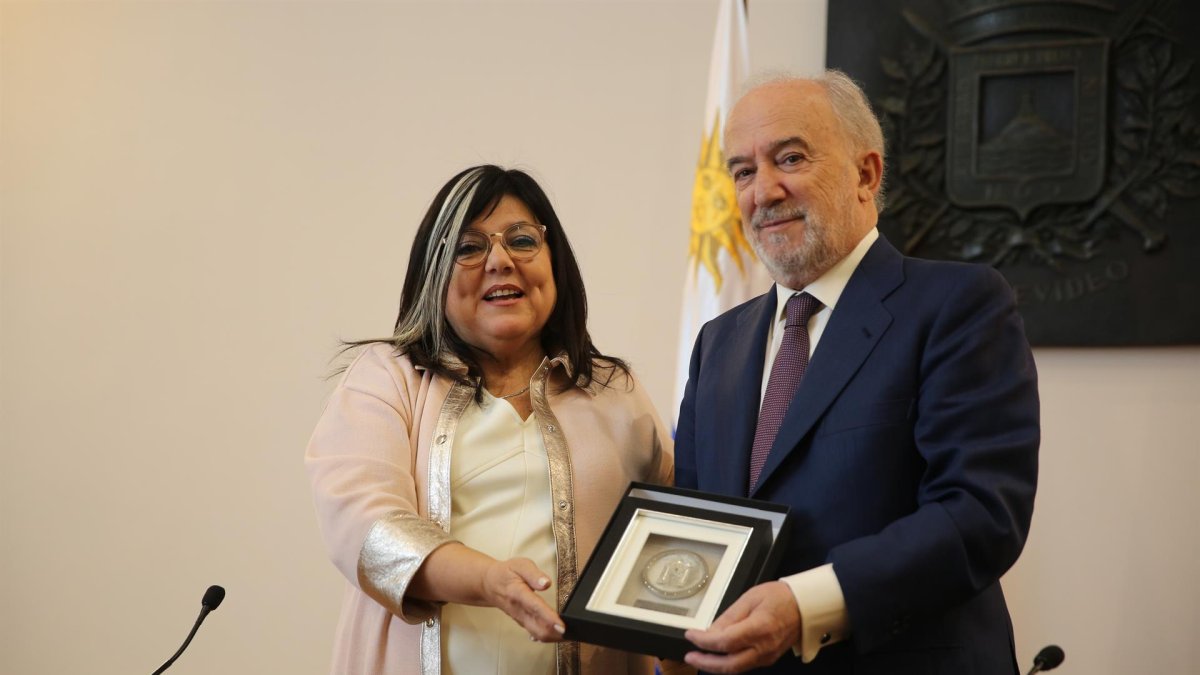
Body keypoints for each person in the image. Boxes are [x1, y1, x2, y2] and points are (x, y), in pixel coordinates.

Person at [674, 71, 1040, 674]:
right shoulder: (719, 341)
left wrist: (806, 604)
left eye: (789, 158)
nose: (763, 191)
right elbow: (693, 525)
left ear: (866, 175)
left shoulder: (958, 305)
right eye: (742, 171)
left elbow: (980, 513)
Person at [307, 165, 673, 675]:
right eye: (469, 247)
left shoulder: (615, 393)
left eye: (521, 240)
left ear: (555, 262)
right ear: (433, 273)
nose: (500, 262)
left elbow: (674, 534)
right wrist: (487, 581)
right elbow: (363, 527)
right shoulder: (387, 378)